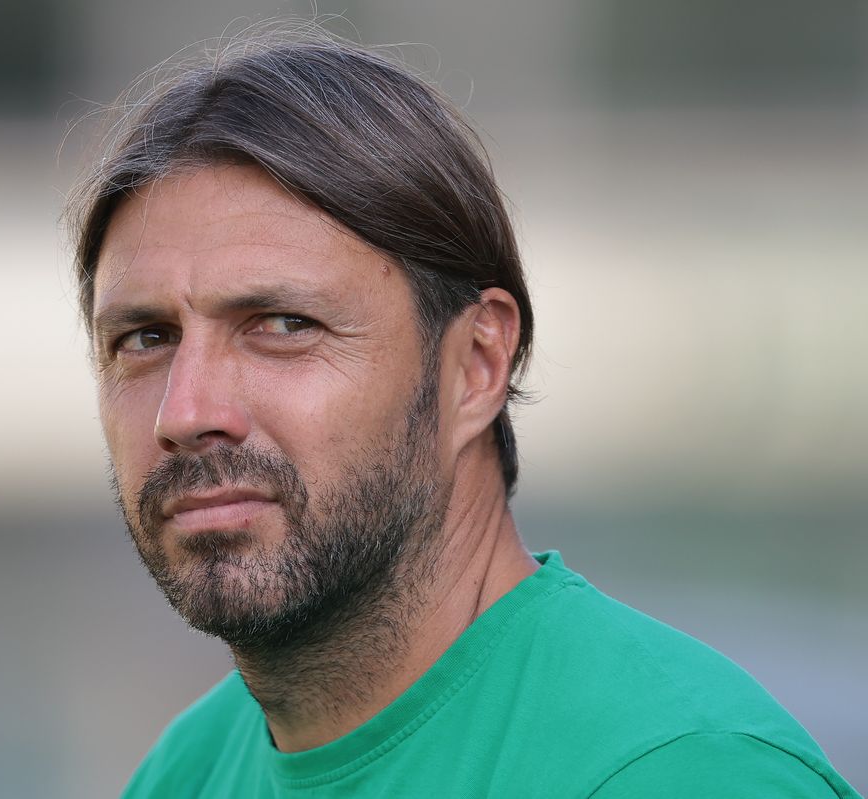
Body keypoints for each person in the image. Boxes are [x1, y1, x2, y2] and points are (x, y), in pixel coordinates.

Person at [68, 26, 860, 799]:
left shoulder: (677, 770)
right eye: (145, 338)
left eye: (282, 324)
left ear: (476, 366)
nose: (186, 410)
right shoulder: (187, 771)